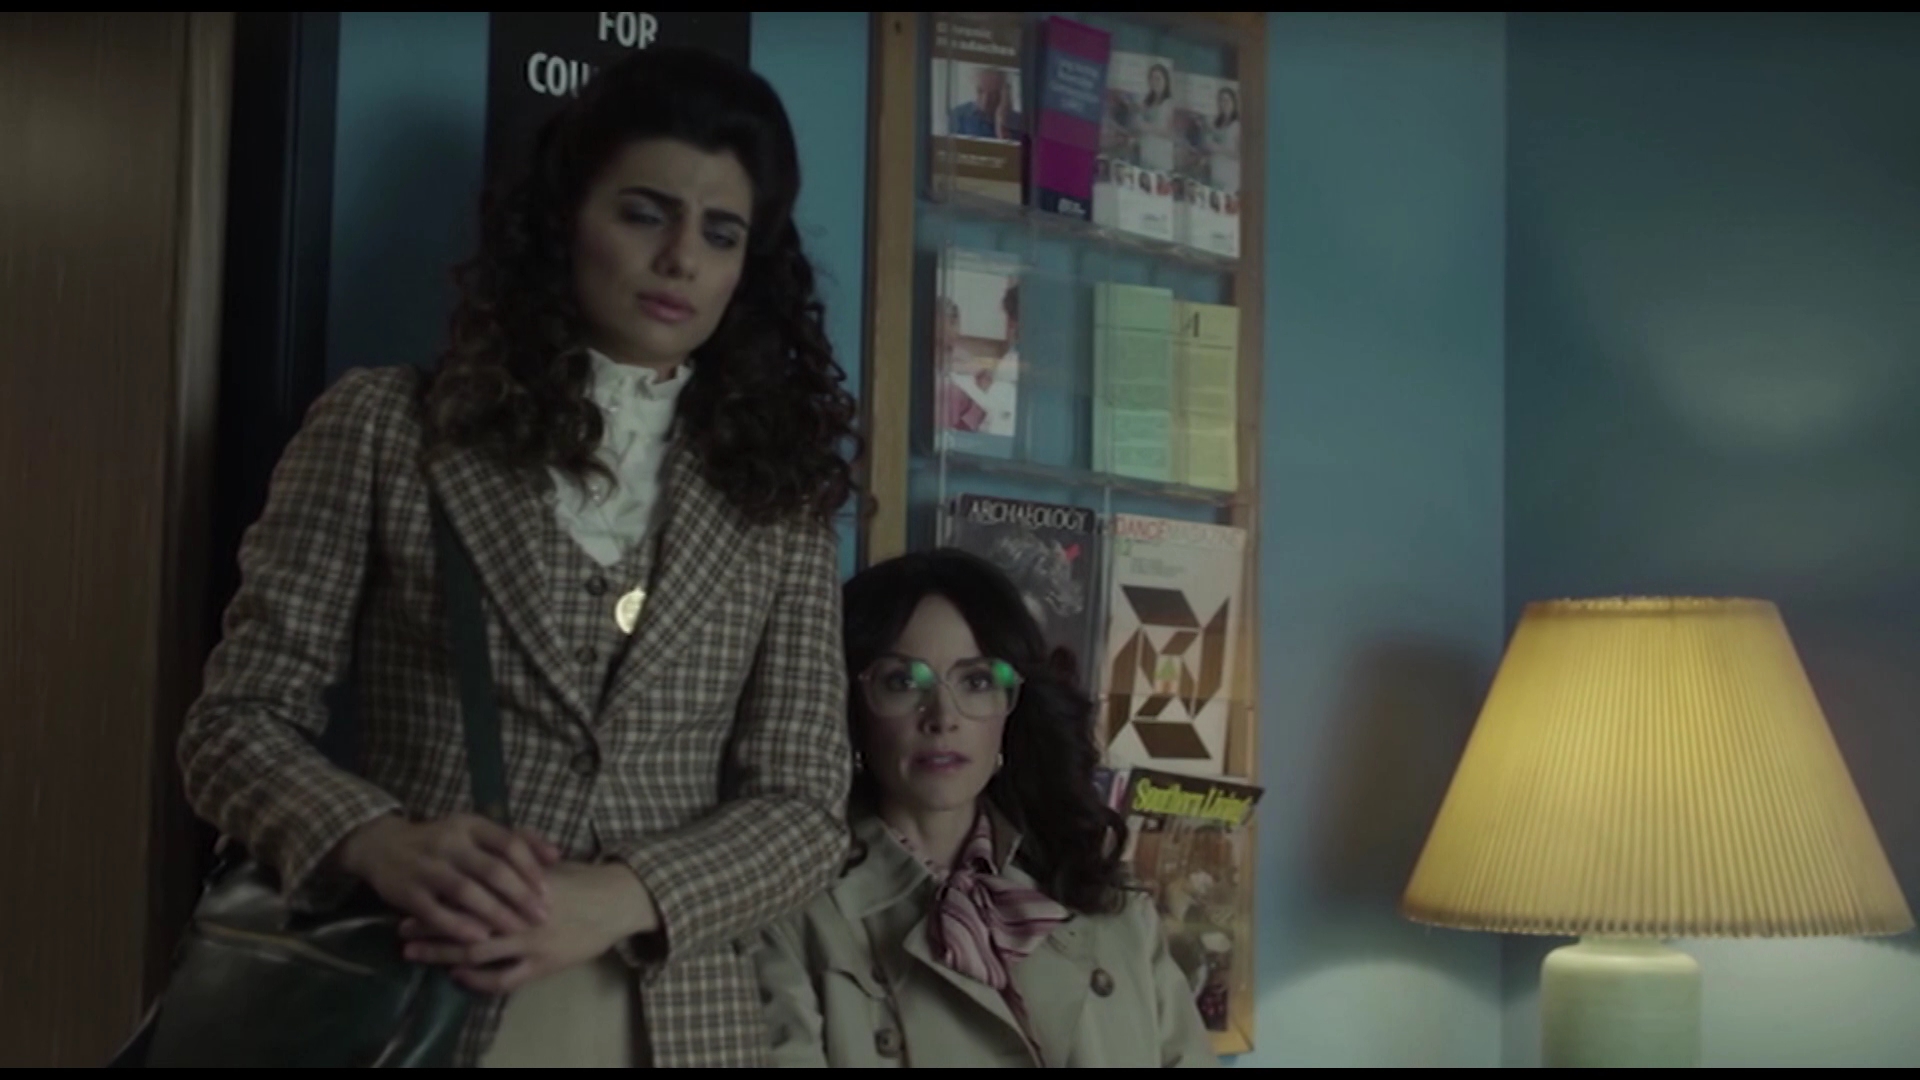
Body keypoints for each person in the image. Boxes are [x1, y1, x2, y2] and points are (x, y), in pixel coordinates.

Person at [176, 46, 859, 1068]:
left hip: (681, 1027)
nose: (681, 257)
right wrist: (377, 840)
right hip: (416, 1001)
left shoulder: (779, 500)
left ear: (747, 267)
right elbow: (232, 725)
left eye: (721, 233)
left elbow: (805, 810)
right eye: (645, 213)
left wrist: (620, 895)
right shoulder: (387, 430)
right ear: (565, 218)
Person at [754, 549, 1217, 1068]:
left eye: (976, 680)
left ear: (1013, 705)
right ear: (850, 705)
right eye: (902, 681)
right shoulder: (795, 918)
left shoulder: (1103, 895)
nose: (942, 716)